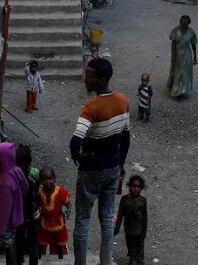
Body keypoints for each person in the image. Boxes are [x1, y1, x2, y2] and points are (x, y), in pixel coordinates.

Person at [69, 58, 130, 265]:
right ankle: (106, 261)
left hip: (91, 171)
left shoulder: (91, 107)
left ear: (101, 80)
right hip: (112, 167)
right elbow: (125, 137)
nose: (85, 80)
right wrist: (120, 163)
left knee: (83, 220)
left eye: (88, 76)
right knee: (107, 218)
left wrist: (78, 157)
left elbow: (75, 141)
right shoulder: (122, 100)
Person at [0, 142, 27, 265]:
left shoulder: (4, 182)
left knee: (8, 245)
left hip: (7, 221)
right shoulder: (16, 170)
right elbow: (25, 187)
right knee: (12, 241)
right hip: (17, 215)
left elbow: (4, 210)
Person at [36, 167, 70, 259]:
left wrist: (68, 211)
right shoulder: (39, 192)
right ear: (40, 180)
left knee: (59, 244)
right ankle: (38, 259)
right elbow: (36, 204)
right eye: (44, 179)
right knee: (41, 243)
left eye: (50, 178)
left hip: (58, 223)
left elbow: (67, 203)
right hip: (44, 223)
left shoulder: (60, 191)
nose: (47, 181)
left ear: (54, 178)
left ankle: (60, 259)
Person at [15, 146, 41, 265]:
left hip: (24, 213)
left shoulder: (17, 176)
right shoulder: (33, 174)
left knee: (23, 240)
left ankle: (21, 260)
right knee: (29, 241)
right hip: (30, 213)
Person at [114, 175, 148, 265]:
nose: (136, 189)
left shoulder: (143, 201)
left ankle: (139, 260)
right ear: (129, 186)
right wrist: (117, 228)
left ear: (141, 188)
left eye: (138, 187)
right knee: (130, 245)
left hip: (139, 230)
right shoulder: (124, 199)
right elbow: (120, 215)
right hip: (128, 229)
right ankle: (132, 259)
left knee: (140, 247)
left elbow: (145, 217)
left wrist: (144, 232)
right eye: (134, 186)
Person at [166, 15, 197, 99]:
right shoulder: (175, 30)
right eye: (182, 24)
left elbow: (193, 44)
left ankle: (183, 90)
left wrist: (195, 57)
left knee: (185, 73)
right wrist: (173, 56)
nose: (183, 26)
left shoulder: (191, 32)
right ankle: (176, 91)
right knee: (177, 73)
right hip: (178, 54)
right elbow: (173, 44)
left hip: (187, 55)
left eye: (185, 25)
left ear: (188, 24)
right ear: (180, 22)